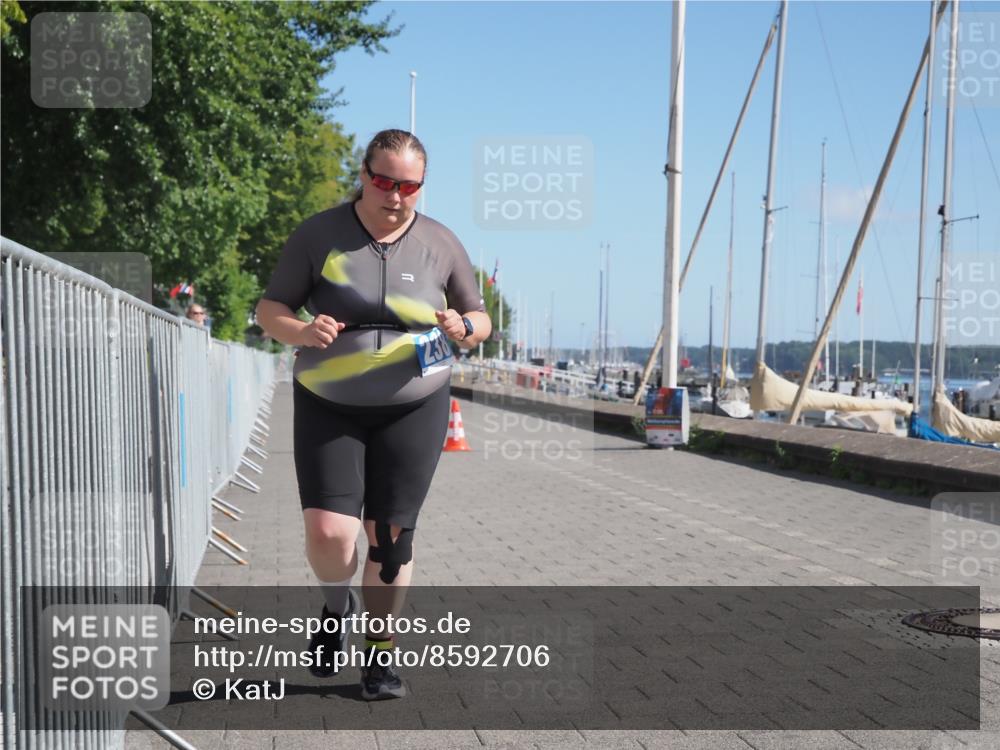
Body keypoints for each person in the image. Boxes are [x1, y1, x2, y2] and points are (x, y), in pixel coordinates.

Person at [255, 129, 491, 700]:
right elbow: (269, 309)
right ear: (363, 174)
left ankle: (380, 657)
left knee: (390, 540)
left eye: (409, 185)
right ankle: (335, 611)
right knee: (330, 534)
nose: (395, 195)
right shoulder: (320, 234)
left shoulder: (441, 241)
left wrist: (464, 328)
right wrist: (304, 329)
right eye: (384, 180)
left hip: (415, 404)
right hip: (327, 400)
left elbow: (480, 320)